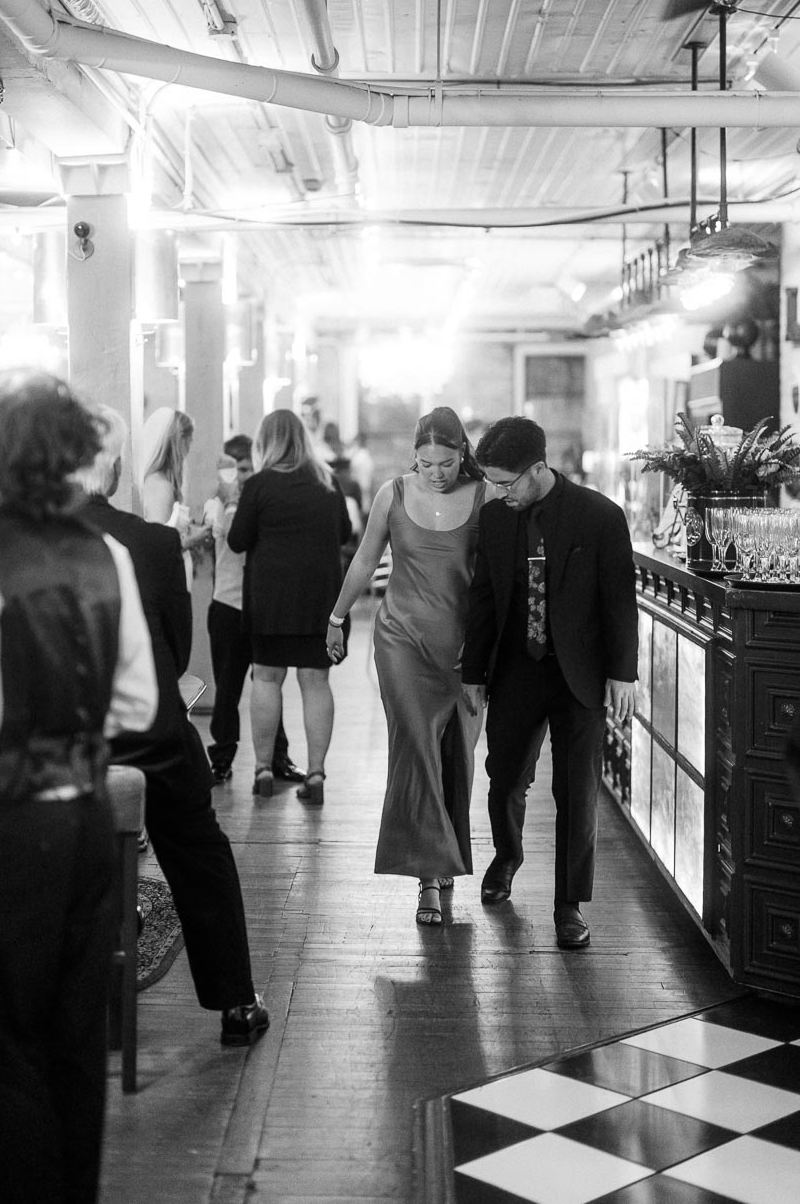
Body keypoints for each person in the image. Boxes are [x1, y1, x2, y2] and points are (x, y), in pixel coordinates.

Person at [0, 369, 158, 1204]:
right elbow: (137, 702)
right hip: (88, 823)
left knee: (3, 1056)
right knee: (72, 1047)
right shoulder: (110, 553)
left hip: (2, 834)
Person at [77, 407, 269, 1044]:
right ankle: (236, 1003)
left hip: (63, 747)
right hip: (149, 736)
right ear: (111, 466)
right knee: (199, 850)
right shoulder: (153, 544)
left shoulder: (8, 545)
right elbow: (177, 653)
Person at [460, 416, 638, 950]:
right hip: (516, 669)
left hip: (579, 674)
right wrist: (473, 673)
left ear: (538, 468)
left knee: (576, 792)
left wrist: (622, 673)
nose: (500, 491)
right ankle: (507, 855)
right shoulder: (493, 521)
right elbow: (484, 600)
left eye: (507, 481)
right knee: (505, 778)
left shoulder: (599, 516)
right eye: (493, 481)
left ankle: (569, 904)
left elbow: (618, 600)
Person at [326, 407, 488, 926]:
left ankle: (443, 865)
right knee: (415, 750)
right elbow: (363, 559)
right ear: (412, 457)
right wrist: (337, 615)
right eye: (425, 463)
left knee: (456, 759)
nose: (436, 473)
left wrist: (488, 646)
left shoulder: (487, 498)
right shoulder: (391, 495)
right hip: (400, 642)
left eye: (445, 463)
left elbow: (498, 579)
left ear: (462, 453)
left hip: (464, 652)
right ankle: (428, 881)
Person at [227, 409, 351, 804]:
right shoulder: (326, 481)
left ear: (266, 442)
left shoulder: (259, 485)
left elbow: (237, 540)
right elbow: (345, 532)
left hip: (271, 599)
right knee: (316, 681)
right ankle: (315, 774)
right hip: (319, 599)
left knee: (266, 678)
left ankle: (263, 769)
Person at [202, 435, 299, 784]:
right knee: (226, 689)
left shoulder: (264, 503)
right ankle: (221, 759)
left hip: (261, 608)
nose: (239, 476)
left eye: (244, 468)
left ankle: (278, 758)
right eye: (231, 469)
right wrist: (229, 501)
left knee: (268, 685)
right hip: (227, 606)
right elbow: (229, 534)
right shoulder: (216, 504)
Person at [141, 407, 205, 578]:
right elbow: (157, 546)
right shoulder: (161, 486)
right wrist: (192, 540)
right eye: (189, 442)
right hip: (166, 578)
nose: (189, 450)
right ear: (178, 442)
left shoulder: (164, 482)